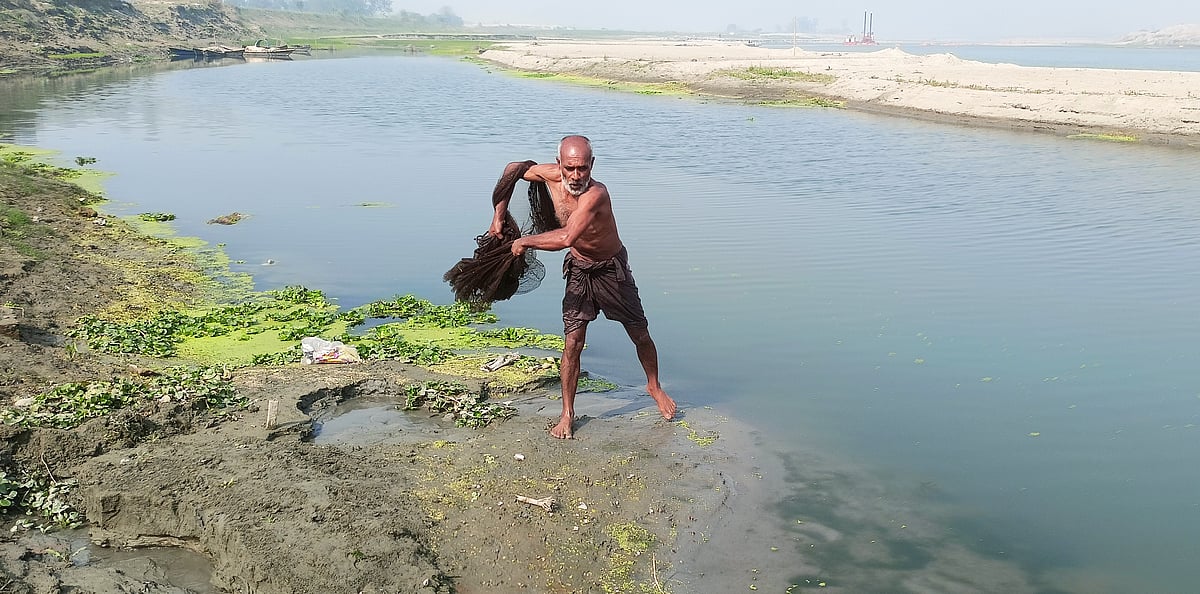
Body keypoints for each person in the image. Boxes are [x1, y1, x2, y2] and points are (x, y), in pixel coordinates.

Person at [488, 135, 677, 439]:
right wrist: (498, 218)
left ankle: (653, 386)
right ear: (558, 163)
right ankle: (567, 413)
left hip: (611, 269)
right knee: (573, 342)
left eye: (583, 169)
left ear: (592, 165)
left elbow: (566, 238)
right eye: (570, 168)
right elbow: (512, 171)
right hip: (579, 269)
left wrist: (523, 240)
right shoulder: (548, 175)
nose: (576, 176)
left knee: (639, 333)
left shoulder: (596, 195)